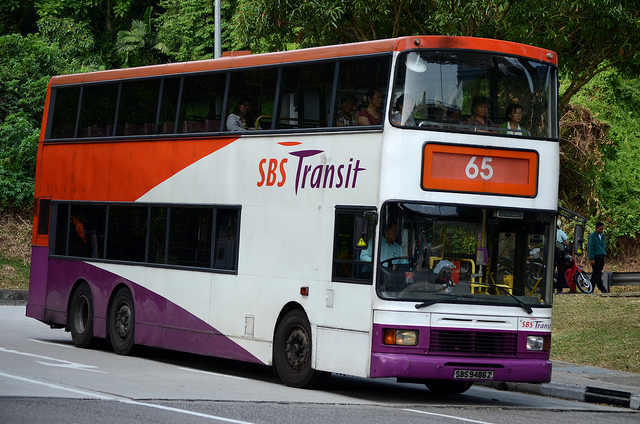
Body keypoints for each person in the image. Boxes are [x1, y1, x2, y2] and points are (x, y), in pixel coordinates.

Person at [588, 221, 608, 293]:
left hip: (601, 256)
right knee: (597, 273)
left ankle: (590, 289)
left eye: (602, 229)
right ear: (596, 228)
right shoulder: (592, 236)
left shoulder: (602, 236)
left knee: (595, 273)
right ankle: (602, 288)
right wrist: (591, 258)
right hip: (596, 257)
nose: (601, 231)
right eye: (600, 229)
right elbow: (590, 247)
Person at [555, 219, 569, 293]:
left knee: (550, 271)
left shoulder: (549, 232)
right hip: (560, 254)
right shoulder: (560, 232)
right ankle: (559, 289)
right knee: (561, 272)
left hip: (551, 254)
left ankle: (550, 287)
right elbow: (566, 242)